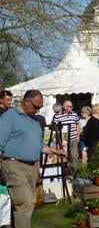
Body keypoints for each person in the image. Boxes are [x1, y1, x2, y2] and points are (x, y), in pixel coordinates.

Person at [0, 89, 66, 228]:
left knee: (21, 204)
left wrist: (55, 151)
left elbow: (39, 144)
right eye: (36, 107)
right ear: (26, 102)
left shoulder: (35, 120)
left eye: (40, 107)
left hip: (30, 167)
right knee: (25, 203)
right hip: (13, 165)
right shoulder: (9, 117)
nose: (38, 111)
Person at [52, 100, 81, 172]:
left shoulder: (74, 114)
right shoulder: (57, 116)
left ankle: (75, 172)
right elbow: (54, 128)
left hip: (73, 138)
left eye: (72, 106)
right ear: (65, 107)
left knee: (75, 156)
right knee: (64, 157)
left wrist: (78, 135)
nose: (71, 108)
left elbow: (77, 124)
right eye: (70, 106)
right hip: (63, 140)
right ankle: (64, 172)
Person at [83, 103, 99, 170]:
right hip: (94, 145)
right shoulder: (91, 120)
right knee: (94, 163)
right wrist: (90, 144)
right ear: (97, 110)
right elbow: (86, 133)